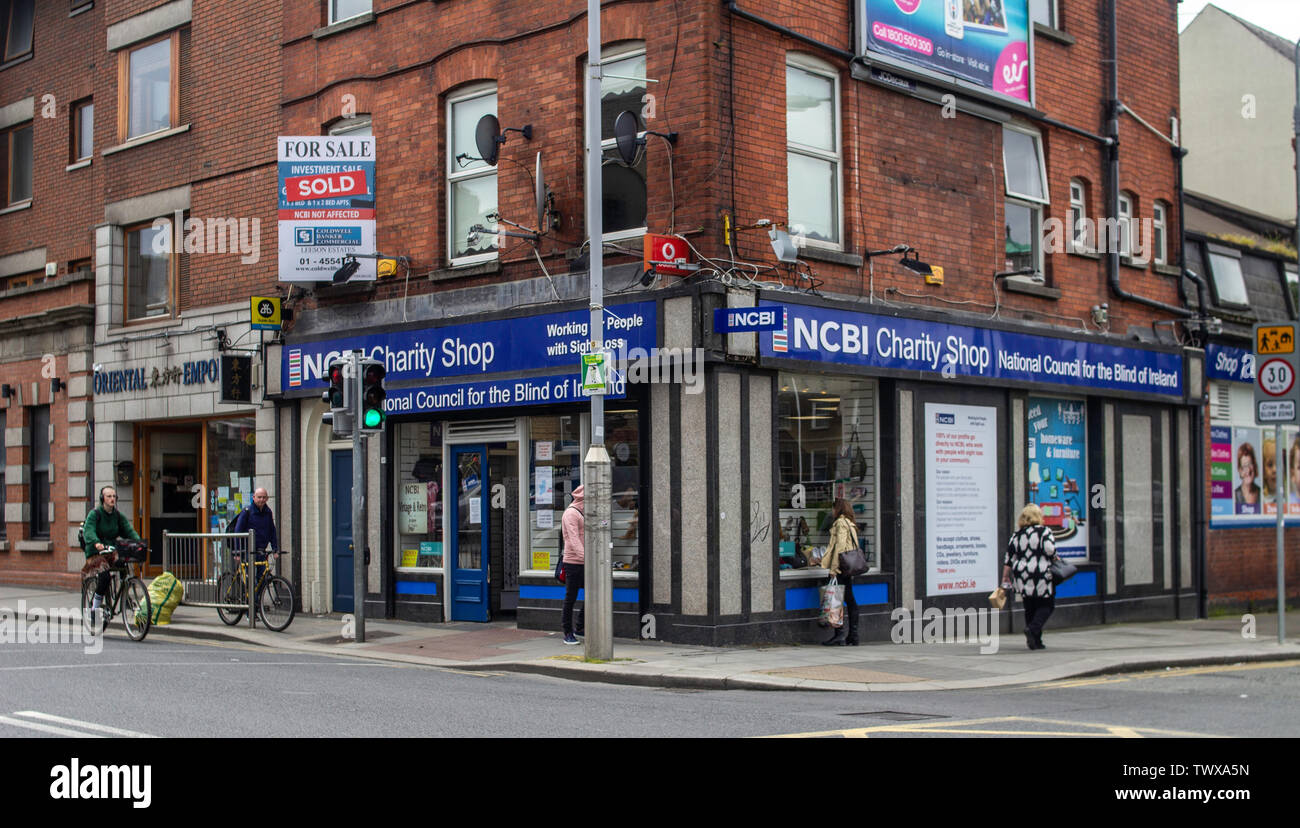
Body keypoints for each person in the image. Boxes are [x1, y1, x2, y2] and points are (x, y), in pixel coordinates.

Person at [1002, 504, 1057, 650]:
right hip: (1040, 572)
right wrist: (1055, 557)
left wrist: (1005, 577)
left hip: (1022, 574)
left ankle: (1035, 641)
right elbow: (1050, 549)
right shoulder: (1044, 531)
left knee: (1030, 605)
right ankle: (1032, 629)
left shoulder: (1017, 535)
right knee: (1047, 604)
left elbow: (1009, 557)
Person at [81, 486, 143, 615]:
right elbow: (89, 531)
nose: (112, 499)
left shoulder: (117, 516)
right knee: (104, 577)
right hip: (95, 552)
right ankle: (94, 608)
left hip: (110, 551)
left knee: (123, 562)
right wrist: (96, 542)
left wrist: (138, 542)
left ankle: (124, 594)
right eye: (109, 496)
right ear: (102, 498)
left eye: (114, 496)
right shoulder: (95, 514)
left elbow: (128, 530)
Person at [820, 498, 860, 646]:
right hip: (848, 567)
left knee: (836, 599)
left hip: (840, 568)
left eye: (833, 508)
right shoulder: (850, 523)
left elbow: (840, 548)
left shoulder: (840, 523)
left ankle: (839, 635)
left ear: (838, 509)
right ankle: (853, 636)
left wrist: (833, 569)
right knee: (849, 599)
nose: (832, 511)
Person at [560, 485, 586, 645]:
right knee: (571, 598)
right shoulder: (571, 513)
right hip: (573, 563)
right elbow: (573, 539)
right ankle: (567, 632)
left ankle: (580, 627)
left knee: (592, 595)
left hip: (585, 562)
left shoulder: (584, 512)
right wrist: (587, 558)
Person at [232, 488, 279, 569]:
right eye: (259, 497)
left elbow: (272, 531)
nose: (262, 499)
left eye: (264, 497)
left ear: (267, 498)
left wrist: (275, 549)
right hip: (248, 550)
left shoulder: (268, 512)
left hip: (261, 550)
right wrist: (237, 553)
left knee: (262, 577)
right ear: (253, 497)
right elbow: (237, 531)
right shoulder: (247, 512)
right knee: (250, 577)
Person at [1234, 442, 1260, 513]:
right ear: (1239, 470)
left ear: (1254, 466)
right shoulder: (1235, 496)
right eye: (1245, 466)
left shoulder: (1262, 493)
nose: (1248, 470)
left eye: (1250, 464)